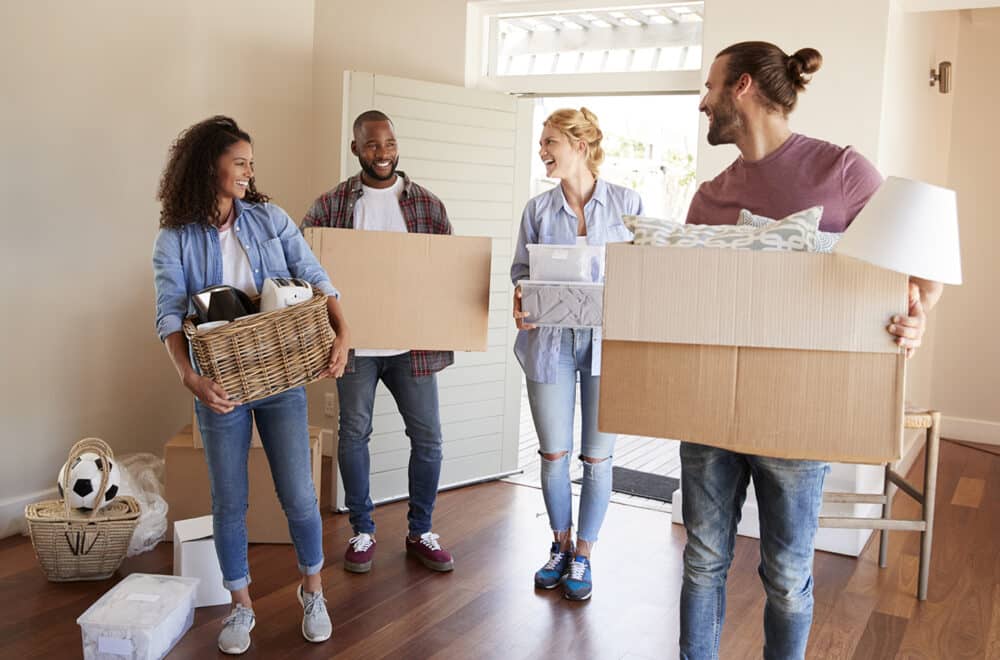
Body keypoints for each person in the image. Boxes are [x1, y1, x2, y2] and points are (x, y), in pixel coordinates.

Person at [680, 42, 943, 659]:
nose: (702, 101)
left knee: (787, 576)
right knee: (702, 561)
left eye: (710, 87)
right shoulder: (709, 196)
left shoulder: (843, 172)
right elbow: (681, 297)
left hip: (800, 414)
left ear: (741, 88)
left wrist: (916, 318)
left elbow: (917, 273)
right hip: (709, 407)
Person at [152, 116, 351, 654]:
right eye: (239, 162)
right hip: (219, 384)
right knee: (229, 500)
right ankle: (241, 607)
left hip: (280, 374)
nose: (248, 171)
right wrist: (192, 379)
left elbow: (315, 277)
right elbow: (170, 317)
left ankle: (313, 591)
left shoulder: (269, 219)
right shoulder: (174, 239)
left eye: (250, 163)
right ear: (208, 166)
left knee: (299, 494)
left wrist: (342, 332)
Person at [301, 110, 455, 575]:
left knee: (428, 438)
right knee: (353, 434)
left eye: (388, 143)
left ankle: (420, 530)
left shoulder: (427, 206)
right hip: (356, 347)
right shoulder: (330, 207)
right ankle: (362, 530)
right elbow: (303, 266)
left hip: (413, 346)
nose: (382, 153)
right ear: (355, 149)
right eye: (371, 145)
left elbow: (448, 270)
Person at [511, 108, 644, 601]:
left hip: (607, 344)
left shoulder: (628, 204)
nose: (542, 151)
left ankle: (584, 556)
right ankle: (560, 546)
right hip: (550, 341)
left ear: (580, 146)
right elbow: (519, 272)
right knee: (553, 454)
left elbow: (644, 274)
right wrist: (521, 300)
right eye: (542, 143)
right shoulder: (538, 210)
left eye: (550, 142)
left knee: (598, 457)